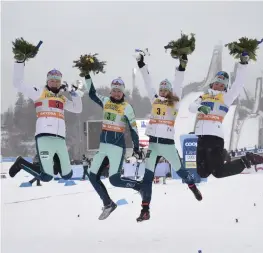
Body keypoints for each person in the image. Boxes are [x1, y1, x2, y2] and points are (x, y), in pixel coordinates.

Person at [135, 53, 202, 222]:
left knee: (180, 170)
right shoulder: (154, 99)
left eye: (166, 89)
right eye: (161, 89)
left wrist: (182, 67)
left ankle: (192, 186)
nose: (163, 92)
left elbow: (178, 83)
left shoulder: (175, 102)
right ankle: (145, 210)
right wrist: (142, 65)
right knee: (147, 178)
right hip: (153, 145)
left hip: (167, 144)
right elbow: (148, 82)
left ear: (170, 91)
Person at [188, 52, 263, 179]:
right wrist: (200, 107)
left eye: (222, 85)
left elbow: (238, 85)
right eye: (217, 83)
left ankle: (247, 159)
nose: (219, 86)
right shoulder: (203, 96)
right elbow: (191, 107)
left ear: (225, 88)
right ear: (212, 83)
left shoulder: (225, 98)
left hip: (214, 138)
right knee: (202, 172)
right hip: (202, 138)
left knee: (218, 173)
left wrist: (243, 64)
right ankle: (223, 154)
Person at [9, 58, 83, 182]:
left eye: (57, 82)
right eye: (52, 81)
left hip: (60, 139)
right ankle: (20, 163)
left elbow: (78, 108)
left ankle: (54, 162)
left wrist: (72, 91)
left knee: (67, 174)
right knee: (46, 176)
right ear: (47, 81)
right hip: (44, 138)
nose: (55, 83)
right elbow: (18, 83)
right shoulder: (39, 93)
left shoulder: (62, 98)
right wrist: (20, 62)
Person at [84, 73, 143, 220]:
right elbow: (91, 93)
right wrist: (87, 74)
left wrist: (136, 147)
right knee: (92, 176)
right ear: (110, 92)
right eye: (114, 90)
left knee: (115, 180)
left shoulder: (126, 107)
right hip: (103, 146)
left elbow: (134, 129)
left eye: (119, 91)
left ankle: (140, 186)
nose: (117, 93)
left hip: (117, 147)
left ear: (123, 93)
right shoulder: (105, 101)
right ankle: (108, 203)